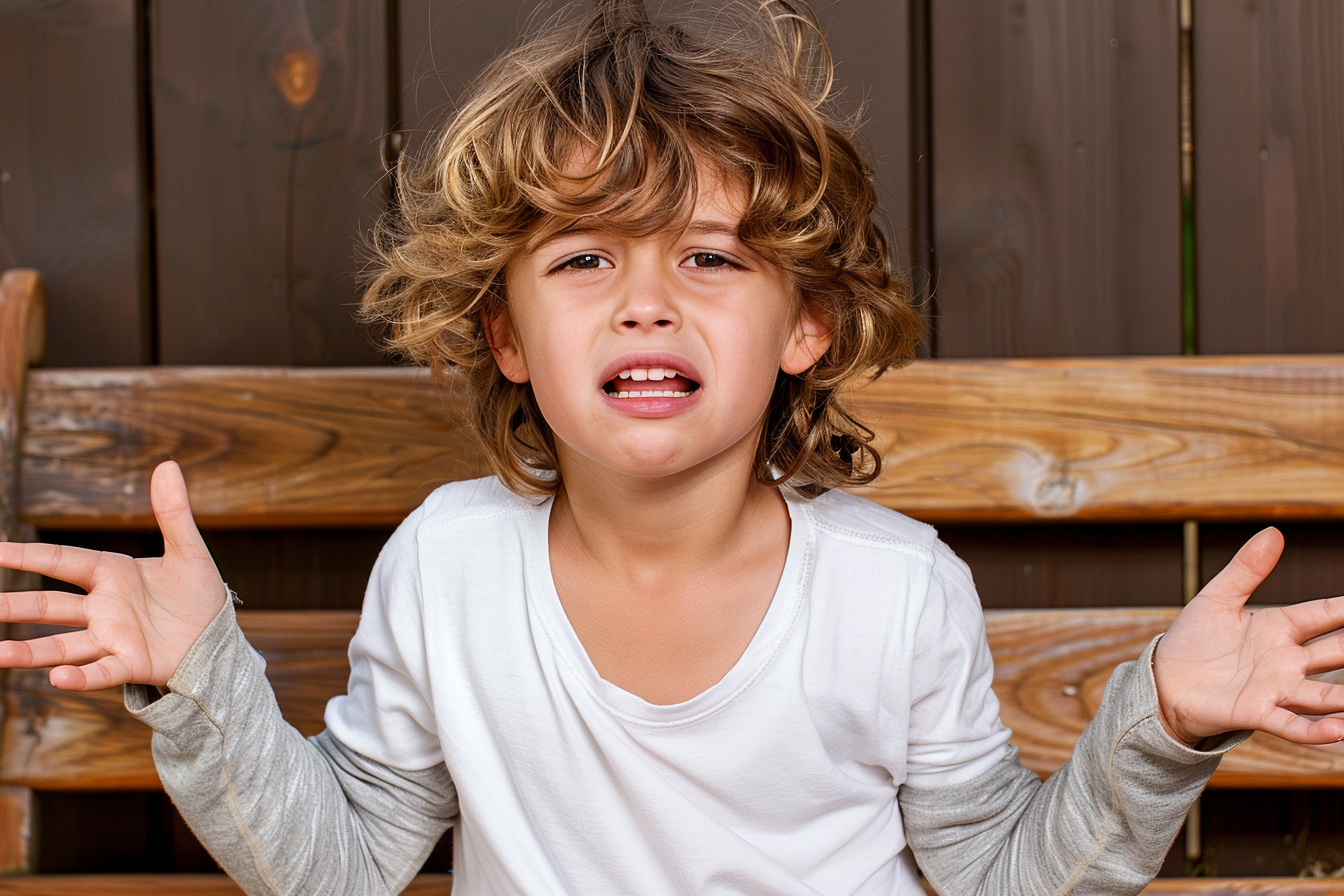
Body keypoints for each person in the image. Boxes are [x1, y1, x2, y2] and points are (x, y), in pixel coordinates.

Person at [1, 1, 1343, 893]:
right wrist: (200, 676)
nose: (648, 299)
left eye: (709, 256)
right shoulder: (449, 569)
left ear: (805, 325)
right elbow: (344, 863)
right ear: (507, 334)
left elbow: (1001, 870)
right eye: (586, 257)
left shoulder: (891, 590)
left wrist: (1157, 724)